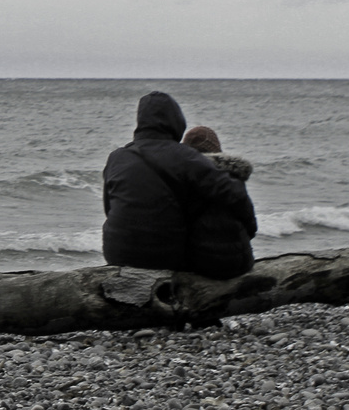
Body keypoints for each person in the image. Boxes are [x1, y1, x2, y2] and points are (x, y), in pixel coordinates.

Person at [101, 92, 257, 278]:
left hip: (116, 255)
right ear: (176, 121)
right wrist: (250, 229)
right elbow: (234, 193)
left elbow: (108, 207)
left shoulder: (117, 157)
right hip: (165, 259)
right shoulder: (186, 157)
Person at [180, 124, 257, 280]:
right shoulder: (234, 178)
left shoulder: (184, 178)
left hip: (200, 265)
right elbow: (251, 227)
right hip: (240, 264)